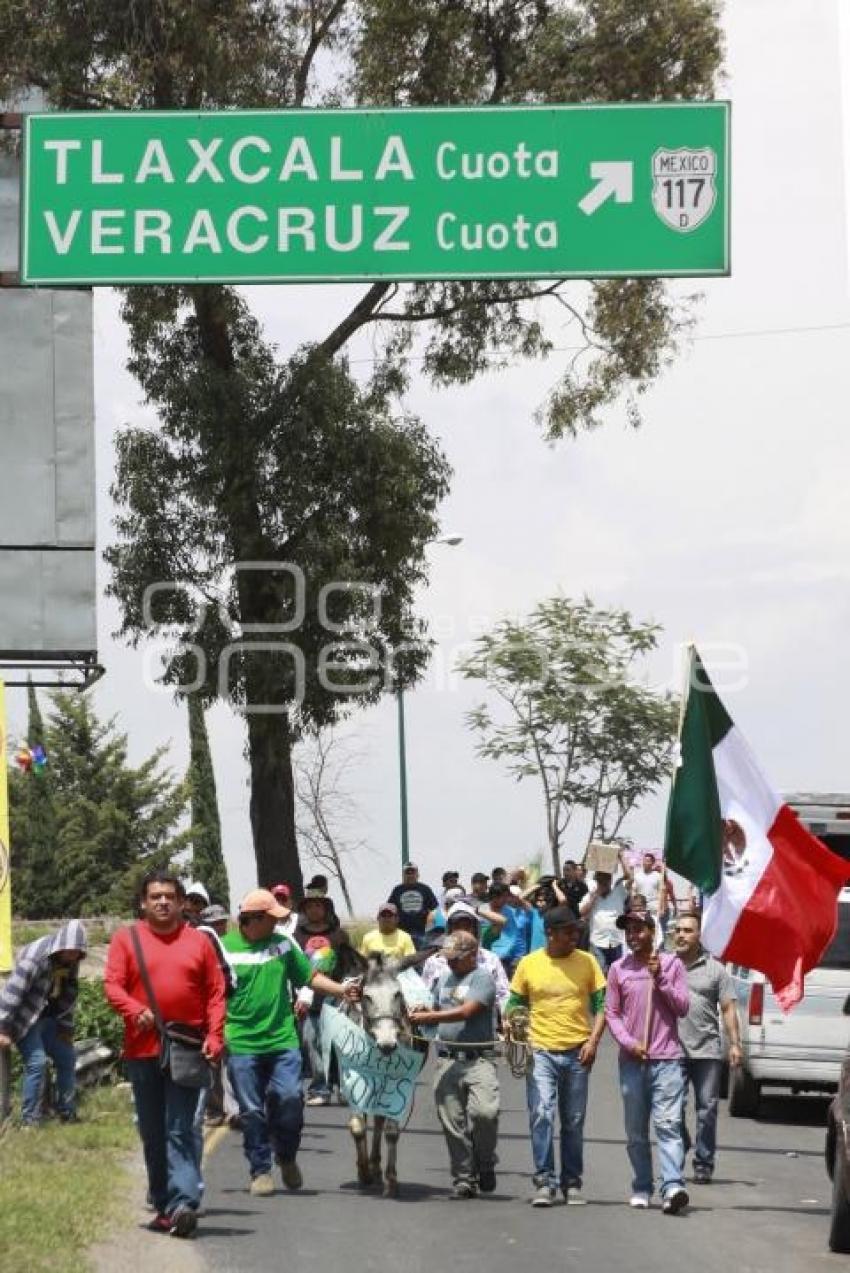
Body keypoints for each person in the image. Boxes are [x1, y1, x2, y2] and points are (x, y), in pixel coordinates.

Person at [105, 871, 226, 1239]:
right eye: (155, 896)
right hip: (143, 1051)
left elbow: (215, 992)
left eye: (169, 896)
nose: (162, 902)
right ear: (143, 902)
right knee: (152, 1131)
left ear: (181, 902)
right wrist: (131, 1008)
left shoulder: (199, 942)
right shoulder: (127, 939)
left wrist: (215, 1036)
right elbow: (112, 984)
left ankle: (183, 1204)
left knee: (181, 1129)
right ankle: (163, 1205)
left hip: (187, 1049)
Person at [222, 888, 357, 1196]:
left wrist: (340, 990)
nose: (279, 923)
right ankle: (260, 1170)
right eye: (272, 918)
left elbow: (309, 977)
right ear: (253, 919)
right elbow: (211, 994)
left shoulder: (282, 944)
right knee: (252, 1111)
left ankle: (286, 1156)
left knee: (290, 1100)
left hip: (282, 1040)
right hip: (241, 1042)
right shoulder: (225, 949)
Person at [506, 906, 606, 1207]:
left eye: (576, 931)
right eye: (568, 931)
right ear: (550, 933)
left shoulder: (588, 962)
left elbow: (603, 1005)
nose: (575, 936)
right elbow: (514, 1003)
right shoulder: (529, 964)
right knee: (542, 1114)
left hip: (578, 1052)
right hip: (540, 1052)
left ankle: (572, 1182)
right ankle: (545, 1180)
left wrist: (594, 1041)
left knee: (573, 1121)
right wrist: (511, 1026)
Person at [605, 909, 690, 1214]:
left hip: (667, 1060)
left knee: (669, 1125)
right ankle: (642, 1185)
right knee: (636, 1131)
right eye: (628, 930)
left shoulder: (672, 964)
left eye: (639, 929)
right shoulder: (618, 969)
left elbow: (682, 1007)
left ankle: (673, 1186)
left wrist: (660, 978)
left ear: (653, 932)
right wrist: (629, 1042)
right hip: (632, 1062)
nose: (633, 935)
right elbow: (611, 1014)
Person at [409, 931, 500, 1199]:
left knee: (485, 1113)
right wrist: (419, 1012)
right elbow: (433, 1005)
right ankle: (464, 1178)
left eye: (456, 959)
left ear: (473, 955)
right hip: (448, 1058)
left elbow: (466, 1011)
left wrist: (431, 1017)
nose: (450, 963)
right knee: (453, 1122)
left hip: (478, 1059)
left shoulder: (482, 977)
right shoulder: (445, 978)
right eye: (447, 959)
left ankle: (484, 1162)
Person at [674, 911, 742, 1184]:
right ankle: (680, 1146)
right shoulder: (665, 965)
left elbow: (728, 1008)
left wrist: (735, 1044)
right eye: (678, 929)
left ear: (699, 935)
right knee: (671, 1109)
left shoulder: (716, 970)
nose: (681, 934)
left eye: (687, 930)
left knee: (707, 1109)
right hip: (672, 1051)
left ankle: (703, 1162)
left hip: (707, 1051)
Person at [0, 919, 87, 1126]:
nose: (73, 956)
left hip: (49, 1018)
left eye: (77, 952)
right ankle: (30, 1120)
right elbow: (12, 993)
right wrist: (2, 1028)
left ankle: (67, 1112)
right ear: (61, 946)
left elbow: (69, 995)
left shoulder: (71, 962)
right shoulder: (34, 960)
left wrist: (66, 1027)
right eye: (70, 950)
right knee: (37, 1062)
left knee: (67, 1058)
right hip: (25, 1019)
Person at [292, 890, 351, 1106]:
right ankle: (320, 1088)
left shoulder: (339, 936)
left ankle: (345, 1088)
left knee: (339, 1045)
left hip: (336, 999)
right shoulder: (296, 937)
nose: (314, 909)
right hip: (307, 999)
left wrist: (346, 989)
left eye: (318, 905)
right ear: (304, 910)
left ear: (326, 909)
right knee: (311, 1042)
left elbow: (348, 965)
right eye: (310, 906)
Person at [420, 902, 510, 1018]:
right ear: (449, 930)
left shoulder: (490, 960)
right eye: (457, 926)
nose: (462, 931)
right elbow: (427, 998)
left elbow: (503, 997)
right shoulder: (434, 962)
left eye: (467, 927)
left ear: (475, 929)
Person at [579, 853, 633, 971]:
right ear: (597, 882)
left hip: (616, 941)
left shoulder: (619, 891)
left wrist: (620, 857)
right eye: (600, 881)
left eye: (606, 880)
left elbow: (630, 877)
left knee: (616, 971)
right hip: (597, 942)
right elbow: (582, 912)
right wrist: (595, 896)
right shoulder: (591, 895)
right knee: (600, 971)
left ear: (610, 881)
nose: (604, 884)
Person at [386, 864, 439, 950]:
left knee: (421, 957)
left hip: (421, 931)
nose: (410, 875)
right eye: (408, 873)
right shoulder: (397, 890)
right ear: (403, 875)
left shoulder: (425, 889)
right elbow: (390, 909)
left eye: (412, 872)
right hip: (402, 932)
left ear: (417, 874)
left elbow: (435, 909)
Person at [487, 882, 528, 976]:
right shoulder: (483, 912)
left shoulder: (510, 912)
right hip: (490, 959)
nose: (506, 899)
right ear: (494, 897)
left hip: (510, 959)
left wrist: (519, 956)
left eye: (507, 896)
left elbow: (516, 935)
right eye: (504, 896)